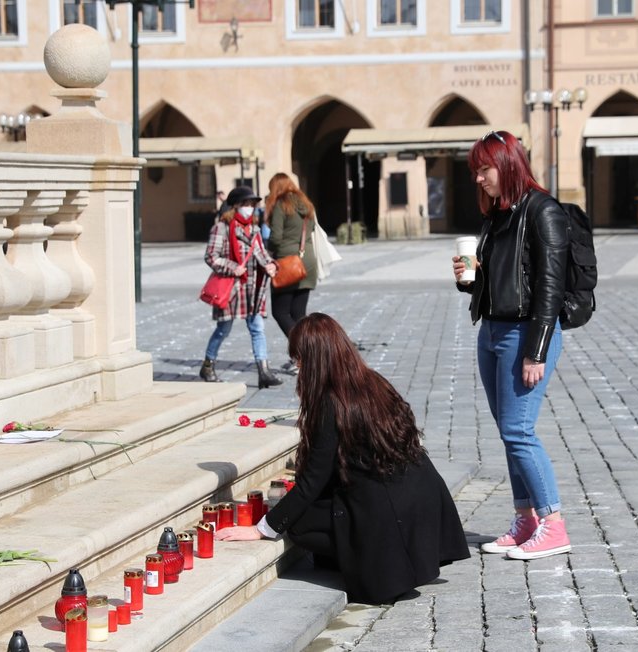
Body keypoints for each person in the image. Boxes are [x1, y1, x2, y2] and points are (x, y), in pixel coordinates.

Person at [215, 313, 470, 604]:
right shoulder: (373, 381)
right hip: (423, 496)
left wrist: (262, 528)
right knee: (316, 509)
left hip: (385, 511)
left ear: (315, 359)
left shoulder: (330, 403)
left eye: (299, 359)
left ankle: (367, 555)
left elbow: (312, 481)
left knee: (300, 524)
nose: (297, 367)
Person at [451, 129, 572, 561]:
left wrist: (536, 350)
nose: (478, 178)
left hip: (526, 333)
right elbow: (502, 281)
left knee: (519, 431)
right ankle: (526, 520)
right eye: (475, 171)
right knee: (508, 433)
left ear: (506, 165)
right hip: (492, 331)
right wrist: (470, 277)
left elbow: (550, 289)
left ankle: (553, 524)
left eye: (483, 169)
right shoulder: (499, 215)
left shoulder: (543, 211)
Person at [199, 186, 283, 389]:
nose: (249, 208)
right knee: (223, 329)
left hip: (253, 288)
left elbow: (261, 253)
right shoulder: (222, 227)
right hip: (232, 288)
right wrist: (232, 267)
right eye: (245, 204)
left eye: (252, 205)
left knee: (257, 328)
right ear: (235, 206)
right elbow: (211, 256)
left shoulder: (253, 229)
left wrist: (271, 264)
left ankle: (263, 371)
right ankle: (208, 366)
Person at [264, 172, 318, 375]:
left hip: (288, 263)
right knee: (298, 314)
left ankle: (303, 356)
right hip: (308, 262)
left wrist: (268, 250)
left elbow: (276, 237)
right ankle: (307, 357)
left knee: (280, 312)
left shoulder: (281, 204)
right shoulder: (306, 204)